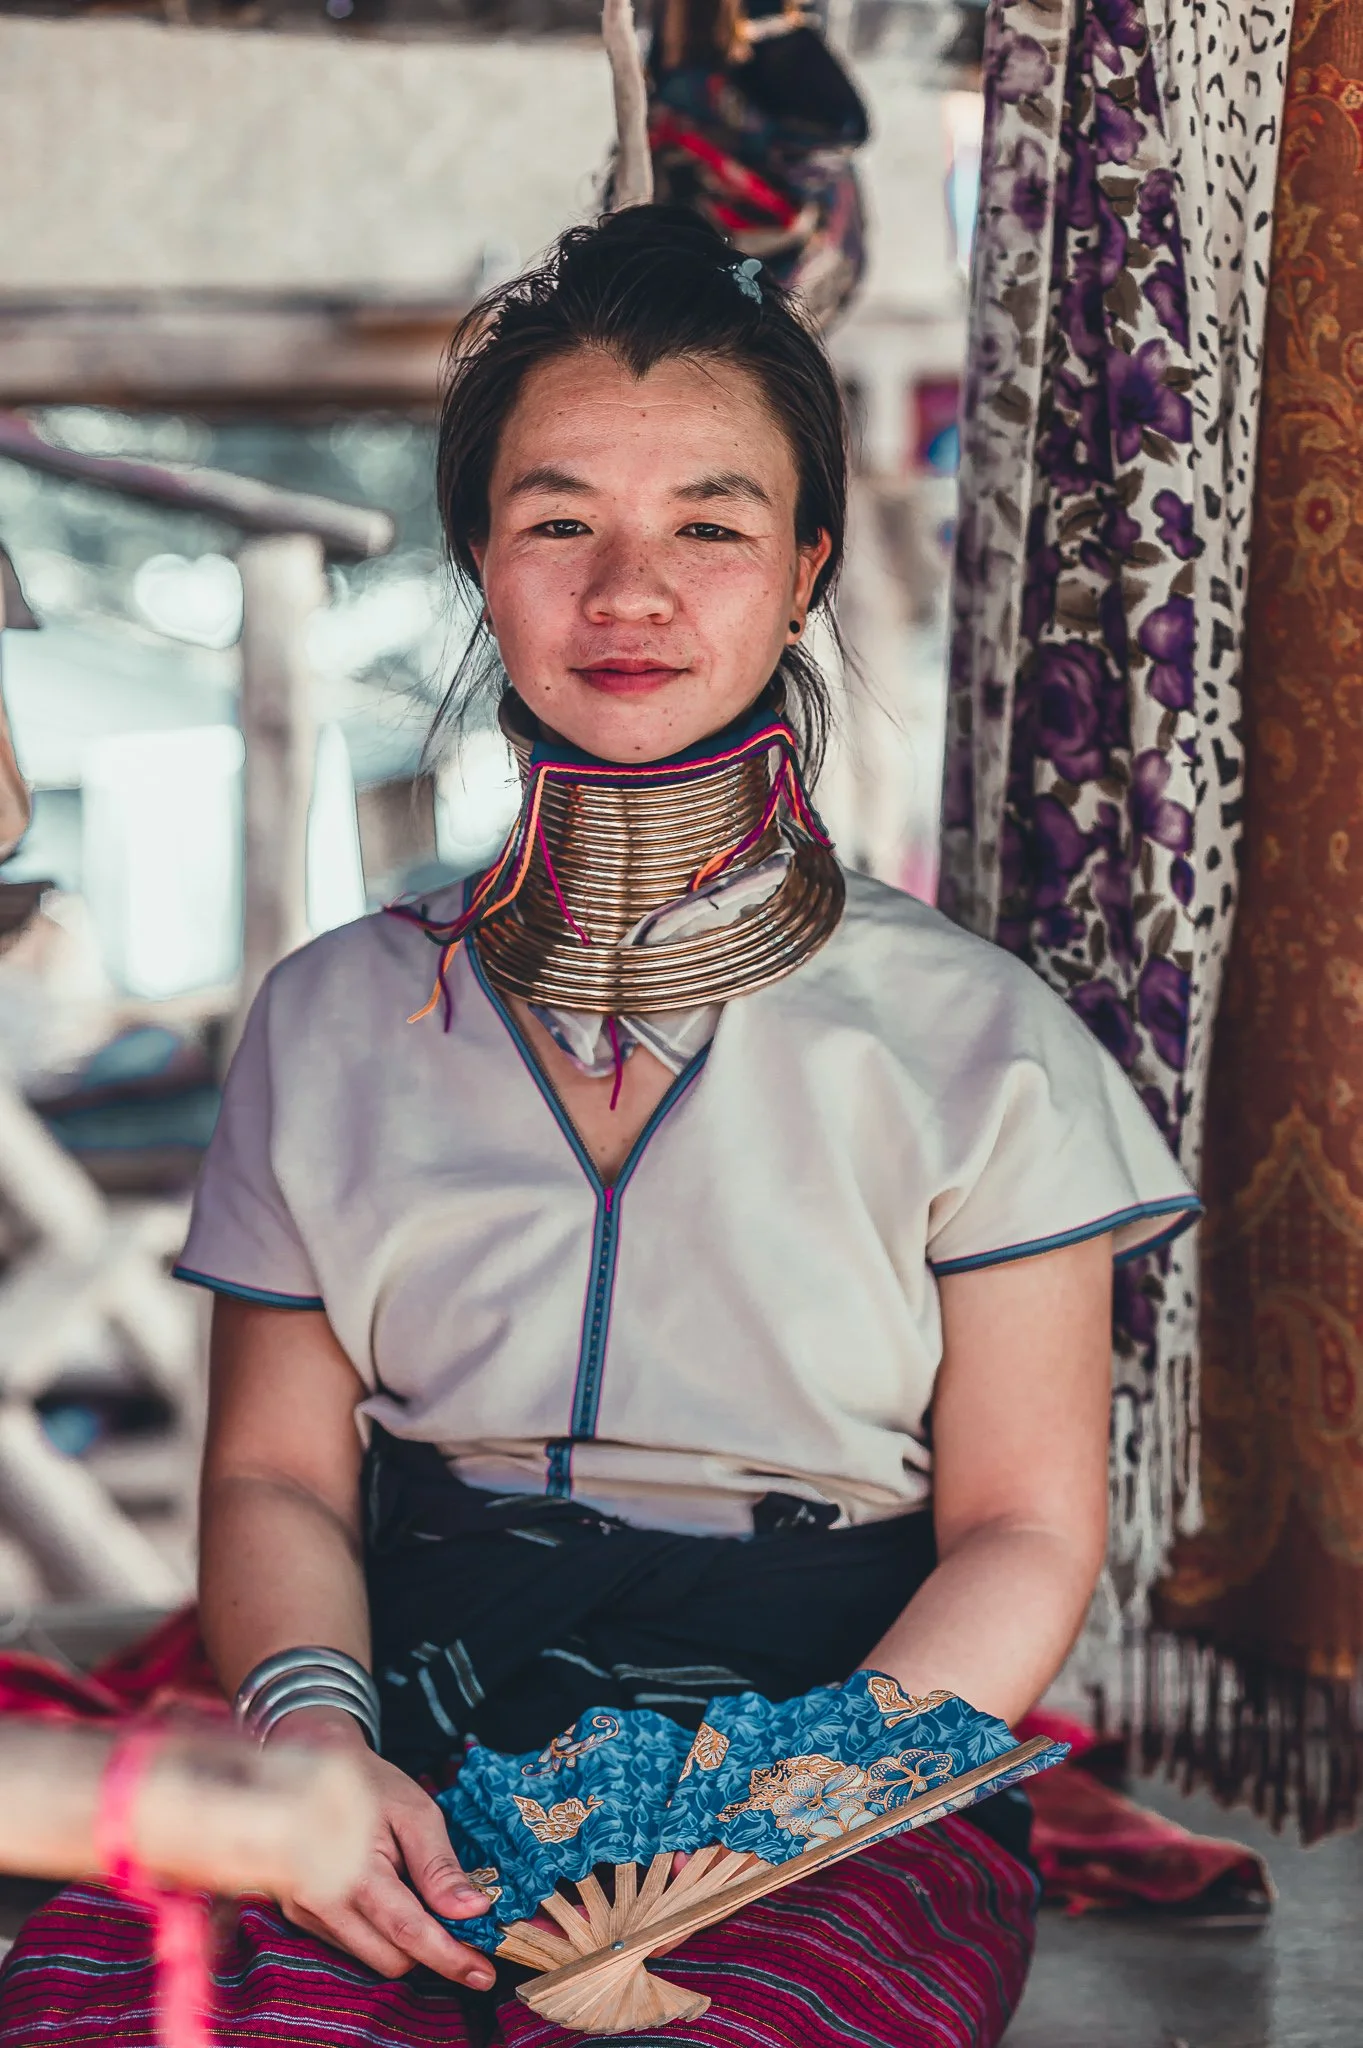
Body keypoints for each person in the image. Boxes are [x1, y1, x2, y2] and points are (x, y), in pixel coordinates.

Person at [0, 206, 1198, 2048]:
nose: (628, 591)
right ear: (481, 559)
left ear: (803, 566)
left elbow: (1028, 1530)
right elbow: (273, 1483)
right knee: (127, 2006)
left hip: (842, 1725)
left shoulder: (979, 1044)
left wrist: (816, 1794)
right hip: (404, 1704)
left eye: (708, 525)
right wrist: (313, 1742)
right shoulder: (332, 1021)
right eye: (559, 520)